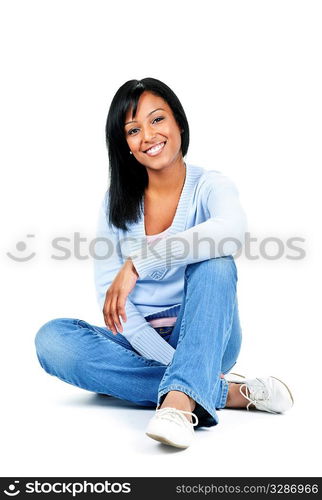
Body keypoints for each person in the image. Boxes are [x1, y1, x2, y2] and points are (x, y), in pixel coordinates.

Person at [35, 77, 294, 449]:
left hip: (210, 334)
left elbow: (232, 231)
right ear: (124, 144)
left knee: (216, 262)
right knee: (52, 340)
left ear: (179, 124)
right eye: (133, 129)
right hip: (138, 342)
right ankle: (221, 391)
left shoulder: (210, 186)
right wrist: (184, 365)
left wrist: (139, 263)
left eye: (157, 120)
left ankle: (177, 405)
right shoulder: (115, 203)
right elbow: (115, 306)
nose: (148, 136)